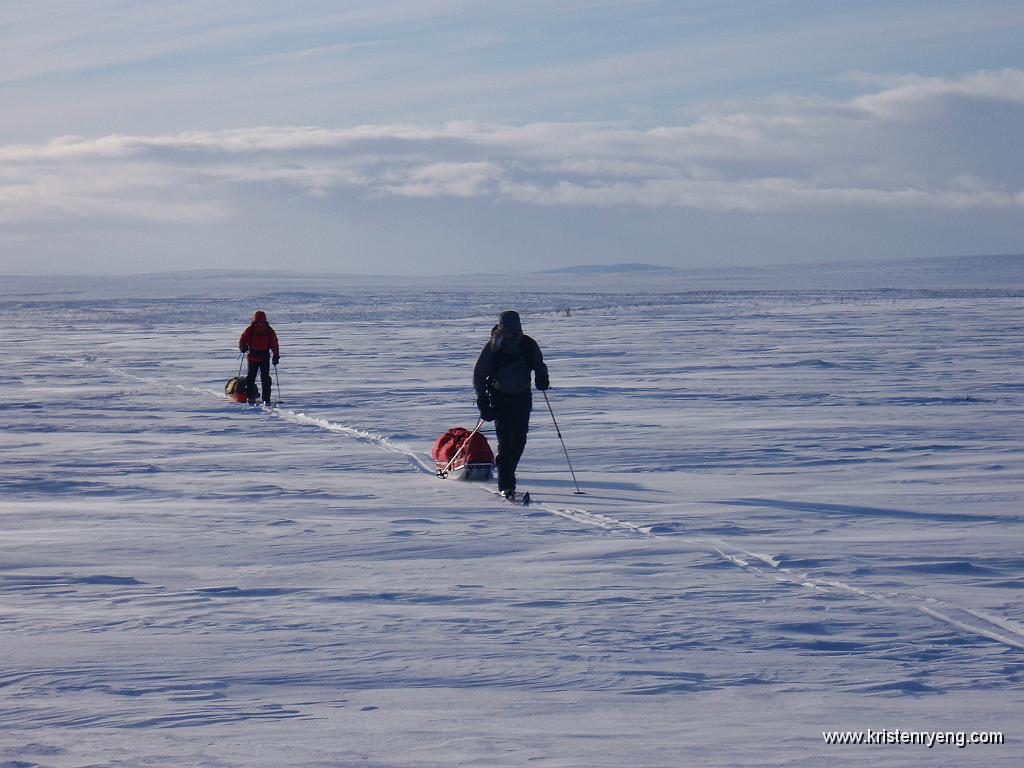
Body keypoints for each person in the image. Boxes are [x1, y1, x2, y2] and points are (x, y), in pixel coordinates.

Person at [473, 310, 549, 500]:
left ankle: (507, 470)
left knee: (520, 440)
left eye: (514, 331)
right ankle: (506, 484)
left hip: (523, 398)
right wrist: (482, 400)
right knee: (507, 441)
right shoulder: (493, 348)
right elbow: (479, 374)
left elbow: (539, 363)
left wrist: (542, 378)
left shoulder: (527, 345)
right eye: (507, 331)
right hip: (500, 399)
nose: (511, 335)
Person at [238, 310, 280, 405]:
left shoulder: (267, 330)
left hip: (263, 357)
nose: (260, 323)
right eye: (259, 321)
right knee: (251, 378)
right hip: (253, 357)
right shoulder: (252, 329)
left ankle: (266, 399)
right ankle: (251, 397)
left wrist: (276, 356)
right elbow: (242, 340)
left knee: (265, 378)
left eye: (261, 321)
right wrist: (242, 347)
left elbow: (275, 343)